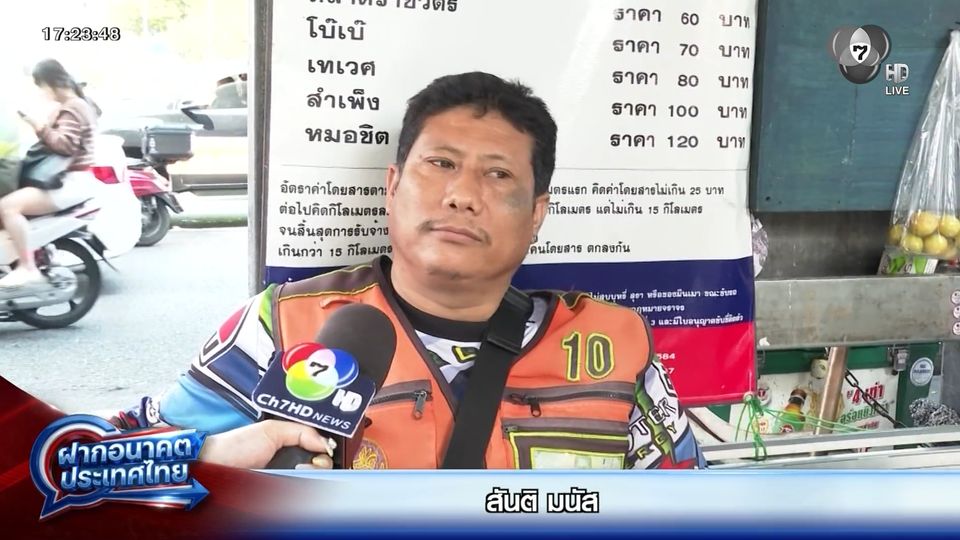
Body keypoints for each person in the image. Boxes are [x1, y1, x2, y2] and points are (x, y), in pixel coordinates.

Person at [113, 72, 706, 470]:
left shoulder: (614, 346)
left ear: (536, 215)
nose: (462, 196)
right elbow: (111, 466)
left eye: (498, 174)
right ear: (393, 187)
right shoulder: (284, 325)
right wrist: (211, 457)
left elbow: (688, 507)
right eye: (440, 163)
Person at [0, 59, 99, 289]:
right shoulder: (77, 105)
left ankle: (27, 267)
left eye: (41, 86)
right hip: (70, 180)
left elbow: (66, 146)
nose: (41, 92)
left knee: (8, 207)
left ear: (50, 82)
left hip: (70, 181)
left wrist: (39, 126)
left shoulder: (73, 107)